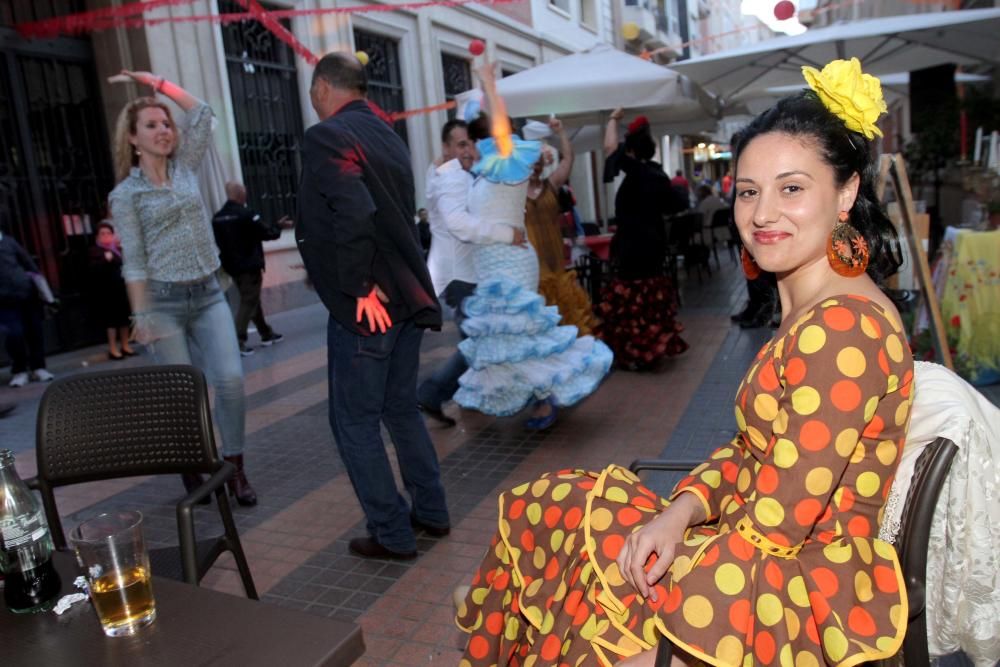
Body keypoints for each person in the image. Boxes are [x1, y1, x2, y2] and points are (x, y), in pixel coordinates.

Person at [457, 58, 913, 666]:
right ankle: (504, 607)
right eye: (748, 192)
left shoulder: (842, 329)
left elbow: (777, 526)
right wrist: (681, 511)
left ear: (847, 191)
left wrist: (667, 567)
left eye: (792, 188)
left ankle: (502, 614)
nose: (762, 214)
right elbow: (756, 452)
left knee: (582, 582)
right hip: (762, 545)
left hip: (797, 588)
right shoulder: (822, 306)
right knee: (557, 502)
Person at [296, 52, 449, 560]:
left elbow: (355, 209)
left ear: (322, 88)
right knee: (400, 410)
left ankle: (391, 531)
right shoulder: (387, 134)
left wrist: (359, 283)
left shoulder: (327, 135)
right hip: (405, 298)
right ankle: (431, 510)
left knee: (355, 423)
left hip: (371, 307)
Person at [108, 69, 257, 506]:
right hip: (164, 304)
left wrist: (158, 84)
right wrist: (141, 316)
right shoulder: (126, 195)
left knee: (230, 381)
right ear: (133, 139)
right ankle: (193, 465)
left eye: (166, 123)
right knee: (183, 396)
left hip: (209, 293)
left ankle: (234, 470)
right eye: (151, 125)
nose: (164, 131)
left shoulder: (187, 169)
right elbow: (132, 261)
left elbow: (204, 114)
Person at [449, 63, 612, 429]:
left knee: (522, 334)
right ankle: (539, 397)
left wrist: (489, 85)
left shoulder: (511, 166)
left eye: (474, 139)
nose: (472, 146)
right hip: (492, 265)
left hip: (511, 261)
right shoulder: (484, 173)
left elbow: (501, 129)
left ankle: (545, 397)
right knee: (511, 337)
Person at [417, 116, 528, 427]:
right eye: (461, 144)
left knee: (478, 340)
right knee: (479, 343)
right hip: (461, 275)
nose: (469, 150)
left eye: (471, 143)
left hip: (464, 273)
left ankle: (468, 397)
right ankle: (430, 393)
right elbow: (460, 225)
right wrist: (507, 234)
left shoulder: (453, 173)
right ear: (447, 147)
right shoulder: (451, 178)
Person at [596, 111, 688, 370]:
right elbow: (674, 205)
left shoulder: (636, 172)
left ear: (632, 151)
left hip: (632, 247)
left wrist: (613, 119)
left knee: (632, 299)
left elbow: (609, 147)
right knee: (649, 298)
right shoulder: (658, 175)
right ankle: (650, 349)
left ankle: (636, 352)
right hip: (653, 246)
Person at [524, 118, 599, 337]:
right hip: (533, 265)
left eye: (539, 162)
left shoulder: (552, 185)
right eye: (531, 162)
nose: (535, 166)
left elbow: (569, 159)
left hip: (555, 259)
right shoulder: (515, 192)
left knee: (566, 316)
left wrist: (561, 133)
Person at [212, 181, 291, 356]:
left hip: (232, 267)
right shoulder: (246, 214)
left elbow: (219, 243)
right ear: (241, 195)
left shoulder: (218, 217)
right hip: (249, 265)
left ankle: (266, 333)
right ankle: (237, 341)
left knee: (252, 299)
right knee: (249, 301)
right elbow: (267, 233)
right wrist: (278, 226)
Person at [0, 222, 54, 387]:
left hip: (26, 293)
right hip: (4, 300)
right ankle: (20, 370)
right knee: (14, 334)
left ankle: (38, 367)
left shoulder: (9, 242)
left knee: (34, 331)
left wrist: (41, 287)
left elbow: (28, 263)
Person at [88, 221, 135, 360]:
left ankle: (125, 345)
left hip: (121, 289)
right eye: (103, 233)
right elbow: (93, 270)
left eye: (109, 233)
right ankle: (113, 348)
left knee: (124, 318)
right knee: (112, 321)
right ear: (97, 236)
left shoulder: (117, 249)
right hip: (107, 291)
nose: (106, 236)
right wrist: (104, 260)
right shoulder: (95, 251)